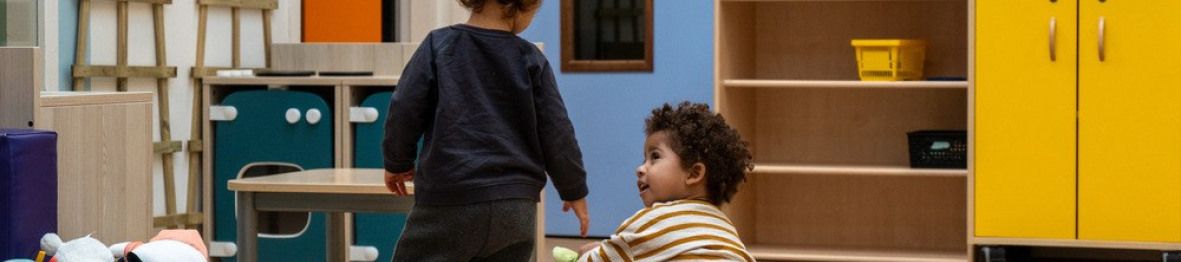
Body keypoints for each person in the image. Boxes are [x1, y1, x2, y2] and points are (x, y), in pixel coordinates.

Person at [381, 0, 590, 260]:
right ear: (524, 5)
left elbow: (405, 107)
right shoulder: (531, 59)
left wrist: (397, 162)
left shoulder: (439, 45)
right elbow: (557, 131)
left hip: (451, 200)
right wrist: (574, 189)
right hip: (515, 207)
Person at [576, 102, 754, 261]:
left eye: (655, 157)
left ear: (694, 173)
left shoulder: (651, 222)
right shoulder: (726, 229)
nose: (640, 169)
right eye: (644, 159)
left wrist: (588, 252)